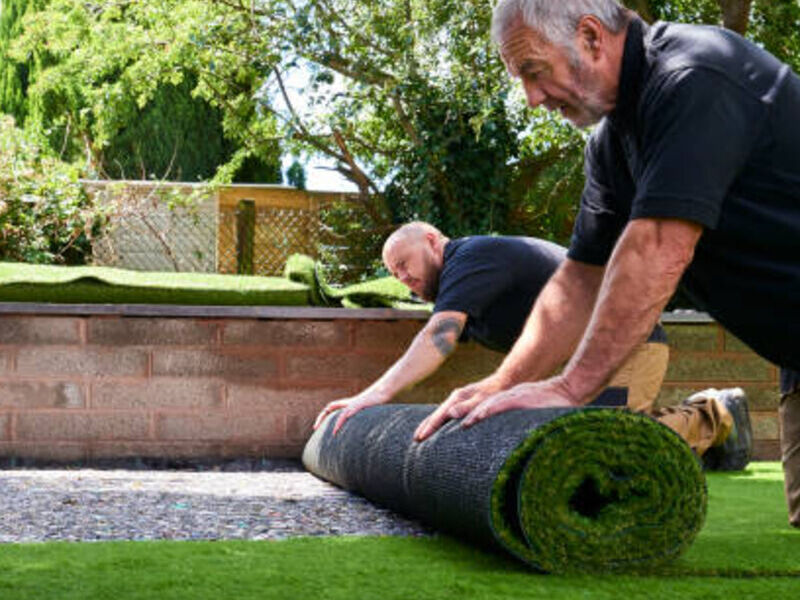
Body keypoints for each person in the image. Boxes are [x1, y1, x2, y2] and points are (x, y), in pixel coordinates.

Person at [412, 0, 800, 527]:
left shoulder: (694, 77)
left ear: (592, 38)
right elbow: (579, 279)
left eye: (534, 71)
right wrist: (500, 384)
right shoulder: (612, 144)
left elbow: (659, 245)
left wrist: (571, 388)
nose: (529, 98)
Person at [314, 221, 751, 468]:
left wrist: (374, 394)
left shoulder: (471, 258)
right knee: (577, 448)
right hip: (577, 366)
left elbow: (438, 339)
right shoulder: (467, 289)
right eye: (395, 274)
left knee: (607, 445)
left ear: (432, 241)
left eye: (404, 264)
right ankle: (703, 435)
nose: (403, 279)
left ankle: (715, 414)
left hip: (629, 341)